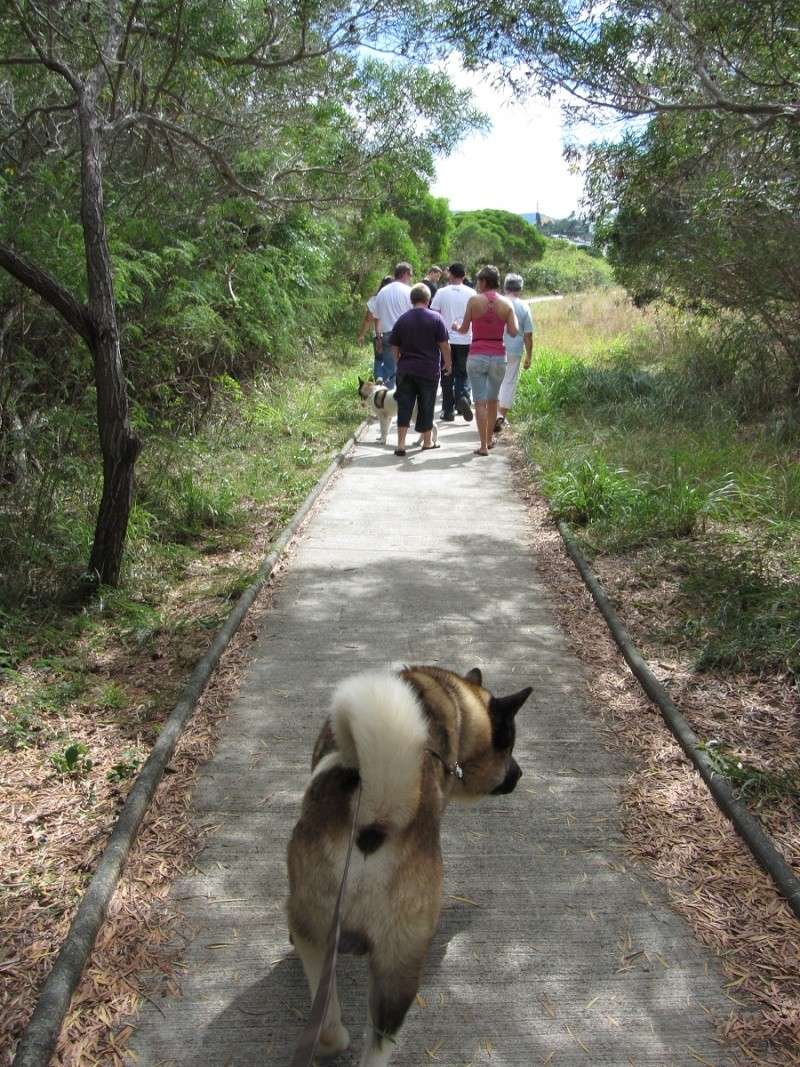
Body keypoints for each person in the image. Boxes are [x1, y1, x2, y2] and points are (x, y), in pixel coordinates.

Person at [453, 264, 518, 455]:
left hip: (477, 354)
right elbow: (514, 332)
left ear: (483, 281)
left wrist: (456, 326)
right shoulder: (507, 304)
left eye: (479, 281)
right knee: (493, 400)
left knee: (479, 402)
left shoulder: (474, 301)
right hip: (498, 355)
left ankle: (482, 446)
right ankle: (489, 440)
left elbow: (464, 330)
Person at [389, 284, 452, 456]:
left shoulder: (402, 319)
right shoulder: (436, 318)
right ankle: (427, 442)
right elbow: (444, 345)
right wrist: (448, 363)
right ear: (428, 299)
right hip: (428, 370)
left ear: (411, 300)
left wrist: (398, 361)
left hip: (406, 370)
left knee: (404, 406)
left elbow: (394, 346)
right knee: (427, 405)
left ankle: (400, 445)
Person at [430, 262, 474, 423]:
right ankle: (462, 397)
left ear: (450, 274)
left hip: (445, 340)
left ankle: (448, 411)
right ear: (464, 275)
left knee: (446, 373)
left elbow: (434, 315)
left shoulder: (441, 292)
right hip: (466, 338)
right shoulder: (471, 293)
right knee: (462, 372)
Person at [359, 262, 413, 387]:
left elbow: (375, 317)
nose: (410, 278)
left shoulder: (382, 292)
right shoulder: (409, 291)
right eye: (410, 275)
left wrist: (378, 336)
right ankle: (405, 400)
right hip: (407, 335)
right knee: (407, 369)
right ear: (405, 274)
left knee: (390, 371)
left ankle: (389, 401)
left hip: (388, 335)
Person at [495, 273, 534, 434]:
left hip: (494, 347)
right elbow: (528, 335)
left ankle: (493, 414)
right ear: (520, 288)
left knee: (493, 382)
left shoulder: (496, 302)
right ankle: (501, 416)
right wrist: (529, 356)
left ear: (505, 287)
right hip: (514, 349)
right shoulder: (524, 306)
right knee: (509, 382)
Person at [357, 275, 393, 372]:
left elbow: (368, 320)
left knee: (379, 360)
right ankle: (389, 385)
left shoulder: (374, 299)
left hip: (378, 336)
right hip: (394, 334)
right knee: (392, 363)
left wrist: (361, 335)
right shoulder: (395, 300)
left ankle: (379, 383)